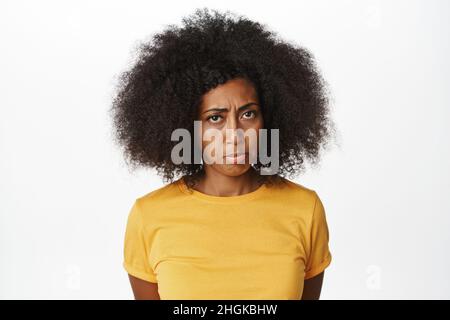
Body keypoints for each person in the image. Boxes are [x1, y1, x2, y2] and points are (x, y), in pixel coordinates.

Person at [111, 7, 335, 300]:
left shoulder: (305, 210)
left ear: (269, 118)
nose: (234, 135)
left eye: (248, 114)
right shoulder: (149, 216)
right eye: (215, 118)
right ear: (187, 127)